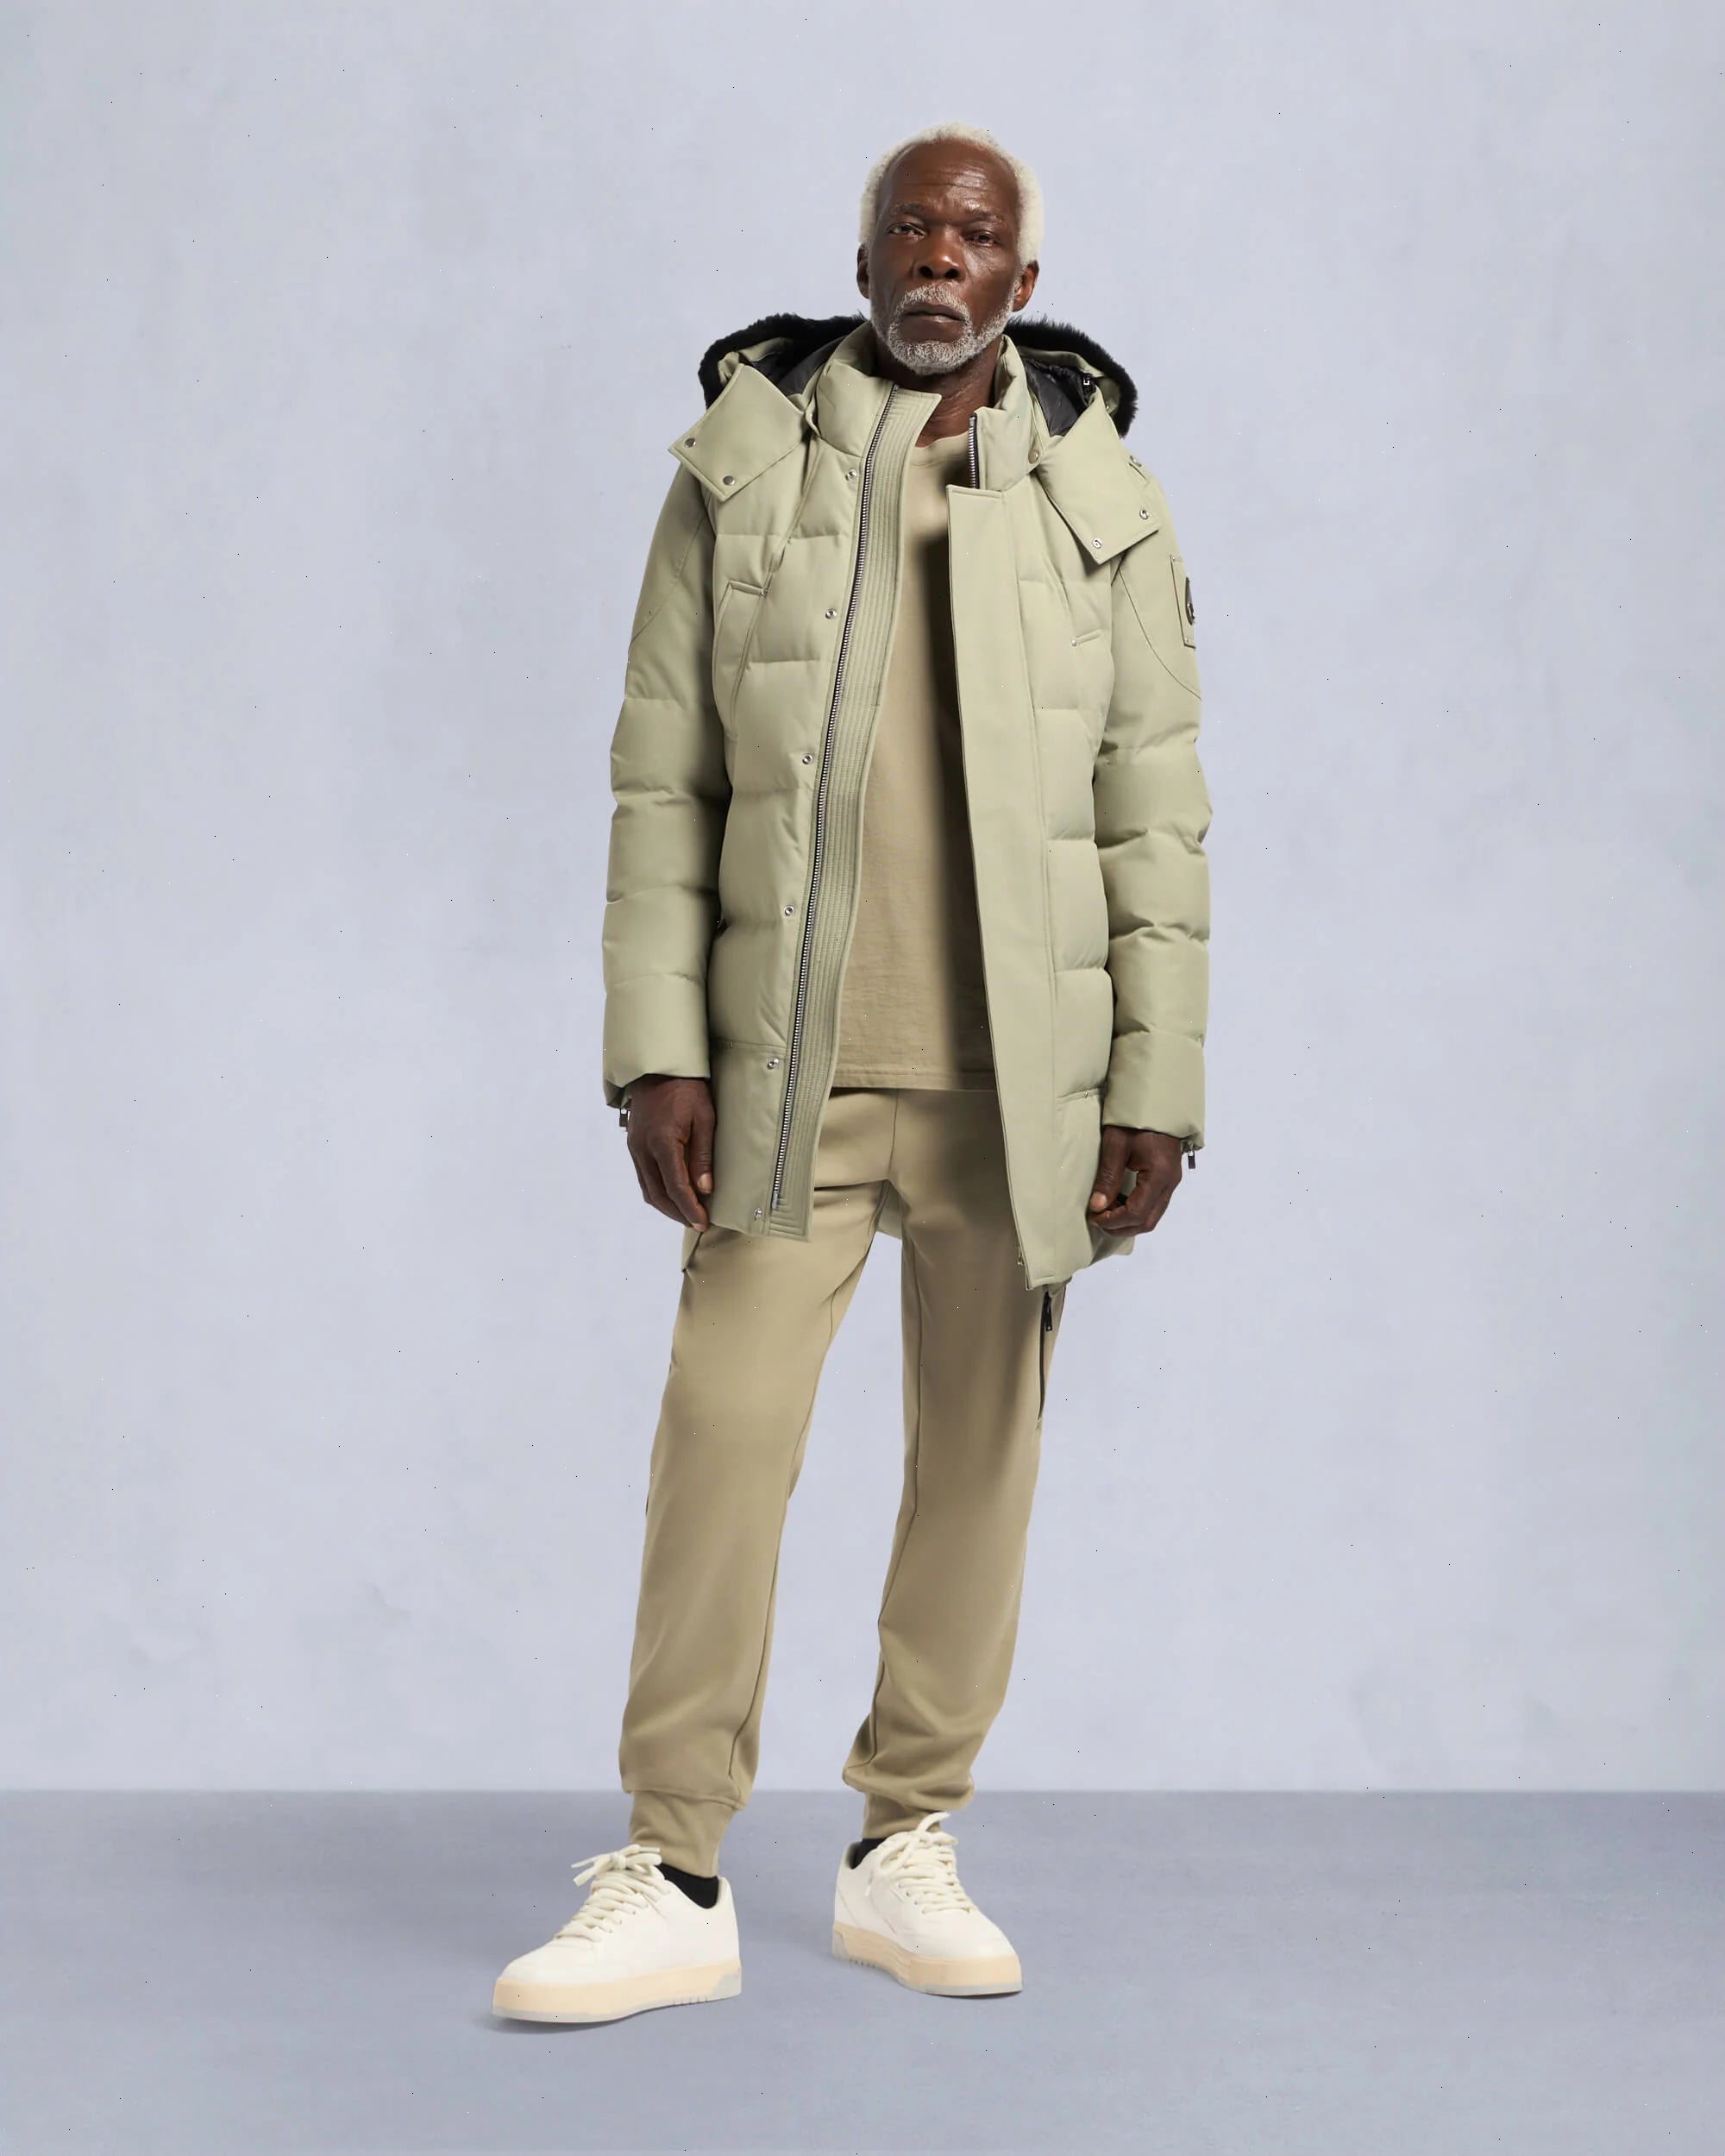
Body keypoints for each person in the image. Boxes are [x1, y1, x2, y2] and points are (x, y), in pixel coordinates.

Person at [492, 120, 1212, 2026]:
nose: (937, 256)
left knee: (976, 1470)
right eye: (909, 227)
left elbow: (1153, 816)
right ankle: (673, 1864)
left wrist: (1157, 1086)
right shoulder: (739, 473)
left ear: (1021, 284)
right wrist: (656, 1049)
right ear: (866, 258)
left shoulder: (1105, 503)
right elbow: (663, 781)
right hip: (783, 1078)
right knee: (720, 1447)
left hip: (1017, 1091)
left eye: (972, 236)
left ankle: (908, 1838)